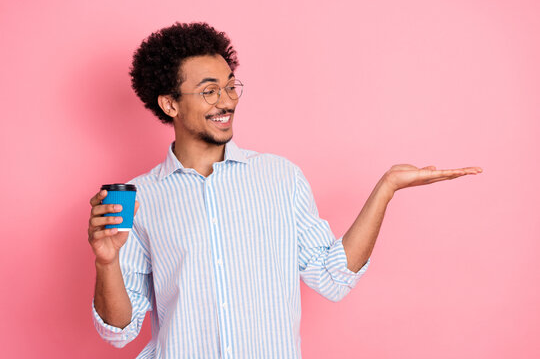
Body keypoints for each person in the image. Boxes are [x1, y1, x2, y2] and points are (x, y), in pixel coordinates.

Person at [88, 22, 482, 358]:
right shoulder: (140, 199)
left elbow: (332, 277)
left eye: (230, 86)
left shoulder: (280, 178)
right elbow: (119, 330)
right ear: (170, 104)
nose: (227, 101)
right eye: (209, 91)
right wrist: (106, 263)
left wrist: (386, 188)